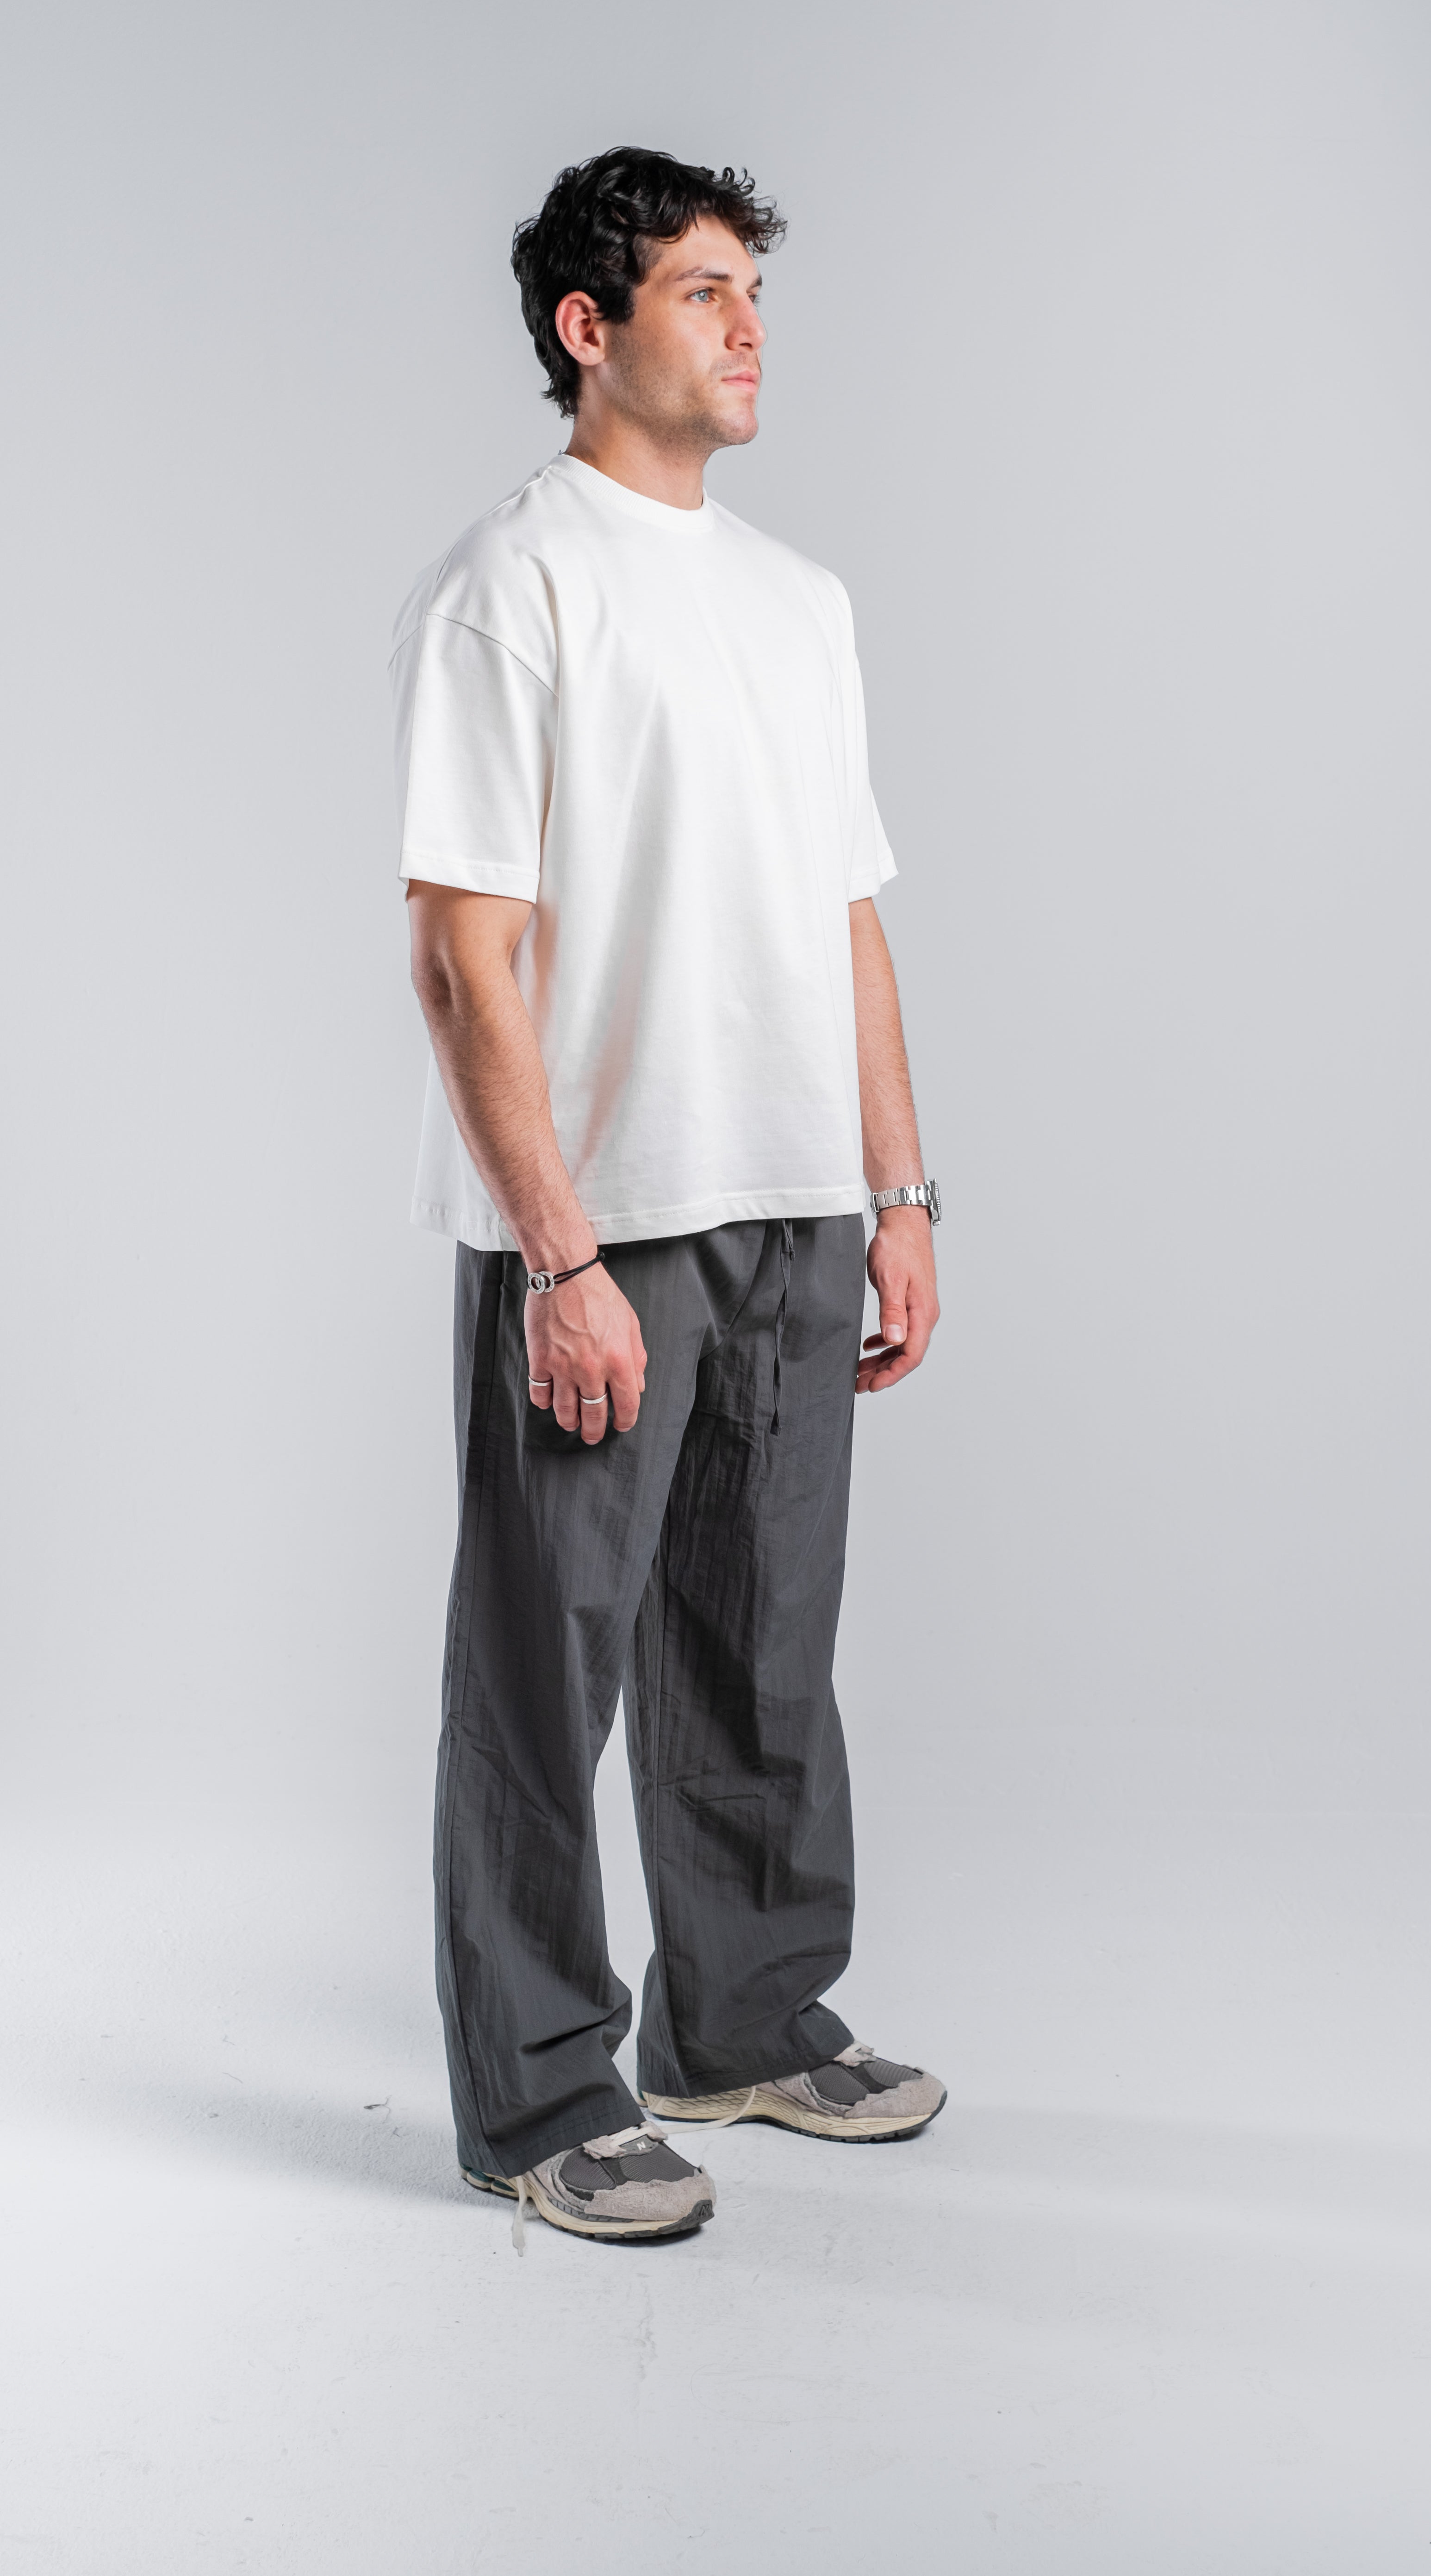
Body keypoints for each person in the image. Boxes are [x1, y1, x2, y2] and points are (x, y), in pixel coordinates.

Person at [392, 146, 945, 2248]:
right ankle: (545, 2093)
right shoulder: (510, 586)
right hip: (602, 1220)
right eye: (705, 292)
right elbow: (463, 953)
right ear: (587, 327)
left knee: (762, 1644)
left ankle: (747, 2015)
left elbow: (849, 915)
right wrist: (555, 1253)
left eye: (753, 294)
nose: (748, 329)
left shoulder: (803, 605)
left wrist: (900, 1187)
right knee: (547, 1668)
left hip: (796, 1200)